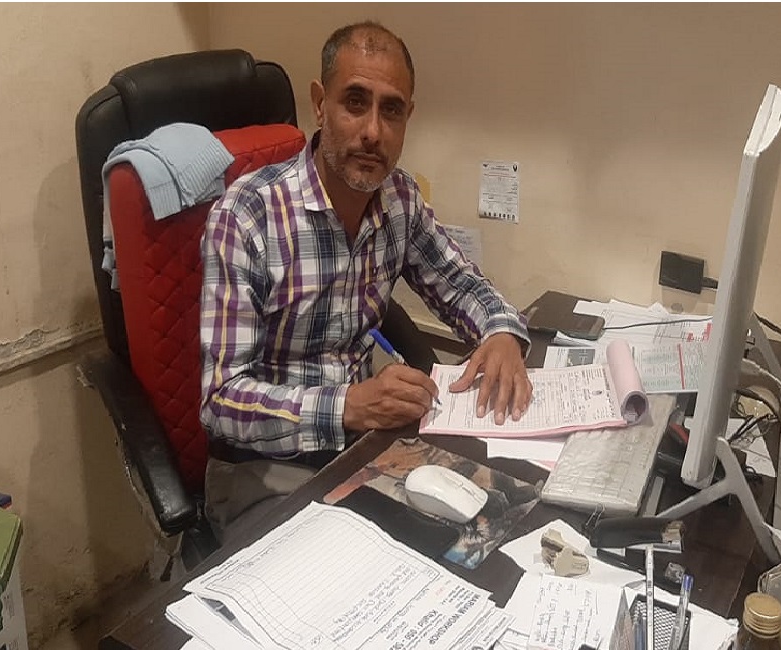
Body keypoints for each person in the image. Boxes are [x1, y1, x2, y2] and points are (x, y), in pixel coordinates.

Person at [199, 21, 532, 541]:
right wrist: (347, 406)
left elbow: (461, 284)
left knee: (491, 529)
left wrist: (502, 332)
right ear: (320, 104)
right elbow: (221, 402)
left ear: (407, 118)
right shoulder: (246, 217)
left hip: (364, 451)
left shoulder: (399, 198)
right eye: (355, 102)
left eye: (391, 110)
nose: (373, 131)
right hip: (264, 471)